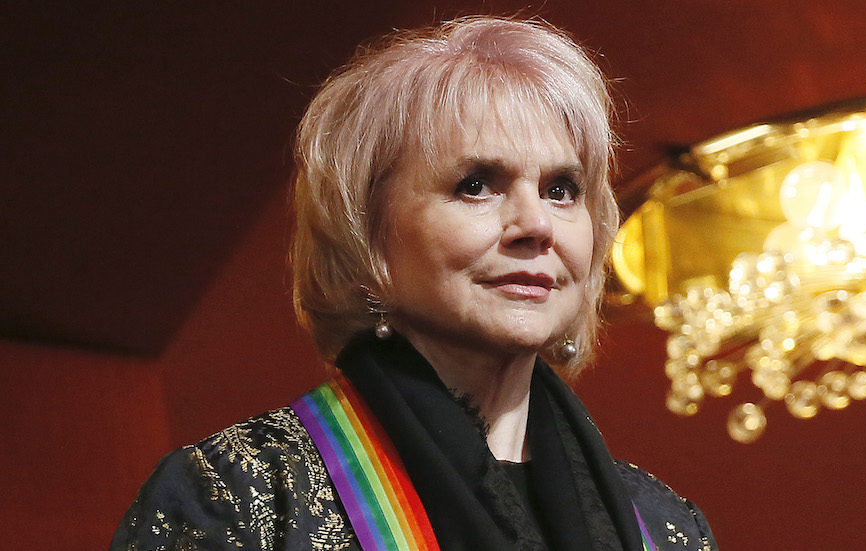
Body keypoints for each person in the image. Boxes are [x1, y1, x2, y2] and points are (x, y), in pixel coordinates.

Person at [112, 16, 717, 551]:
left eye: (561, 190)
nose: (536, 224)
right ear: (367, 235)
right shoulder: (240, 498)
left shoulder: (667, 527)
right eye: (476, 185)